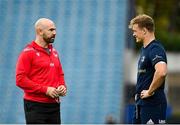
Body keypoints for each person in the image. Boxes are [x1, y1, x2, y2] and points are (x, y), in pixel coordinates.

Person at [16, 18, 67, 124]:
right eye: (51, 30)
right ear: (40, 31)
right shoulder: (28, 52)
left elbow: (60, 74)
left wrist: (62, 86)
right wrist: (45, 90)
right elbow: (20, 80)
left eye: (55, 30)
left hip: (54, 105)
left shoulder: (54, 52)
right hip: (35, 105)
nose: (55, 33)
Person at [128, 14, 168, 124]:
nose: (133, 34)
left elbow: (161, 72)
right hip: (141, 104)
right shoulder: (144, 49)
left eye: (135, 30)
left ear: (145, 30)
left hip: (153, 104)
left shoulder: (155, 48)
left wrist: (150, 91)